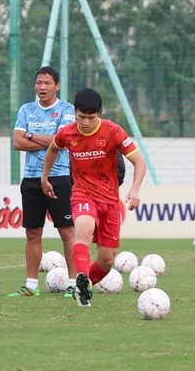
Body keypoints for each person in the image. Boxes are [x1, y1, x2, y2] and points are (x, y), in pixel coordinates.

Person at [42, 88, 147, 307]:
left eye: (91, 118)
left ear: (99, 113)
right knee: (83, 232)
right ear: (75, 112)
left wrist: (135, 189)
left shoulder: (113, 131)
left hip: (109, 201)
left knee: (107, 260)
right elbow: (52, 149)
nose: (86, 122)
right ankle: (80, 282)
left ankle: (84, 284)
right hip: (82, 195)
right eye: (81, 117)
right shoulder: (67, 133)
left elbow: (139, 161)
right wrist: (45, 177)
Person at [8, 66, 77, 298]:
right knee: (32, 233)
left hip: (58, 177)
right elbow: (17, 142)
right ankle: (31, 285)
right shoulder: (26, 109)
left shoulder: (67, 109)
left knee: (67, 232)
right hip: (31, 178)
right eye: (39, 83)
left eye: (47, 83)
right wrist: (48, 140)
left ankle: (73, 282)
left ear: (57, 85)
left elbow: (63, 141)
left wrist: (30, 135)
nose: (42, 87)